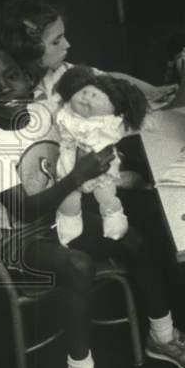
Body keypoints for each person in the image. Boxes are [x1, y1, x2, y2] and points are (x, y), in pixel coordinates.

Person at [0, 44, 185, 368]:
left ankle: (163, 336)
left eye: (11, 76)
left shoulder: (43, 112)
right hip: (22, 238)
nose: (4, 89)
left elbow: (82, 128)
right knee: (78, 265)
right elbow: (24, 210)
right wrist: (77, 177)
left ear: (27, 78)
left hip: (66, 211)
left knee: (135, 239)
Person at [0, 0, 176, 111]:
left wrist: (152, 91)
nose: (67, 45)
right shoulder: (16, 100)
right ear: (28, 49)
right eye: (56, 41)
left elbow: (110, 79)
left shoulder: (62, 71)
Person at [52, 66, 148, 245]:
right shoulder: (64, 113)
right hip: (69, 166)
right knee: (69, 197)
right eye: (84, 92)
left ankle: (113, 215)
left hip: (99, 168)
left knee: (106, 194)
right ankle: (69, 222)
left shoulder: (108, 123)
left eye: (94, 96)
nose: (86, 97)